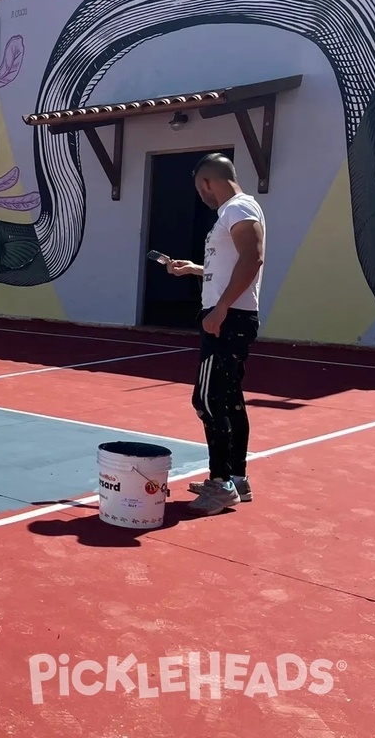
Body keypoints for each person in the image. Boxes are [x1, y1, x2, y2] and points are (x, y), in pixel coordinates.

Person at [167, 153, 265, 516]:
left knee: (207, 400)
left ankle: (220, 483)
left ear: (209, 182)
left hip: (229, 319)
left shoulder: (237, 209)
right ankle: (236, 478)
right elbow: (231, 263)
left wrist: (221, 308)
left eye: (200, 189)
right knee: (228, 398)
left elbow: (252, 257)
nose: (201, 196)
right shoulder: (236, 212)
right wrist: (197, 269)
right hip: (233, 316)